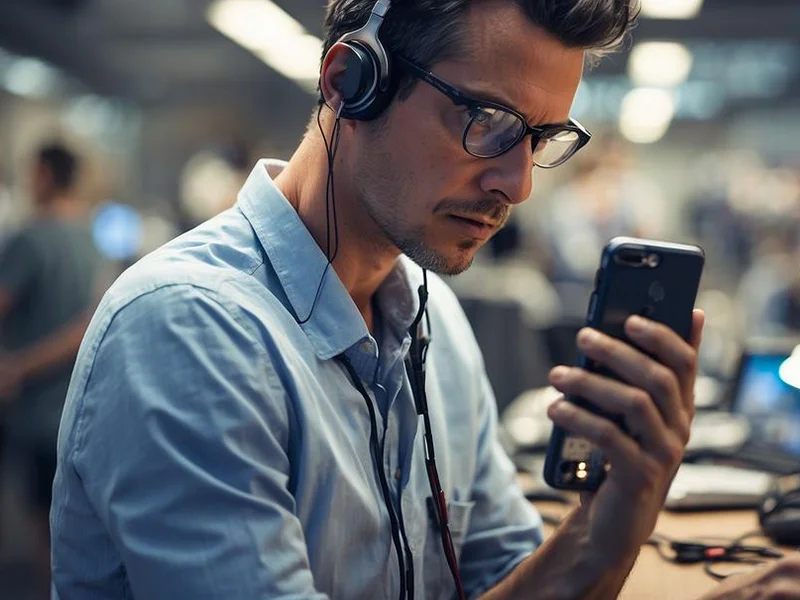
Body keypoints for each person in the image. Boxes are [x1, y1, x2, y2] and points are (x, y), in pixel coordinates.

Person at [49, 1, 798, 599]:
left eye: (538, 138)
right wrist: (596, 539)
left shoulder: (432, 320)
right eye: (490, 123)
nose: (520, 184)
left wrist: (615, 523)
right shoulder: (188, 332)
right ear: (350, 81)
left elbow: (508, 578)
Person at [0, 142, 103, 597]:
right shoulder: (89, 237)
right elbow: (87, 325)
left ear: (42, 174)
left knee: (41, 530)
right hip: (76, 404)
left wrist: (18, 366)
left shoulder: (30, 239)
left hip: (32, 410)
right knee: (63, 524)